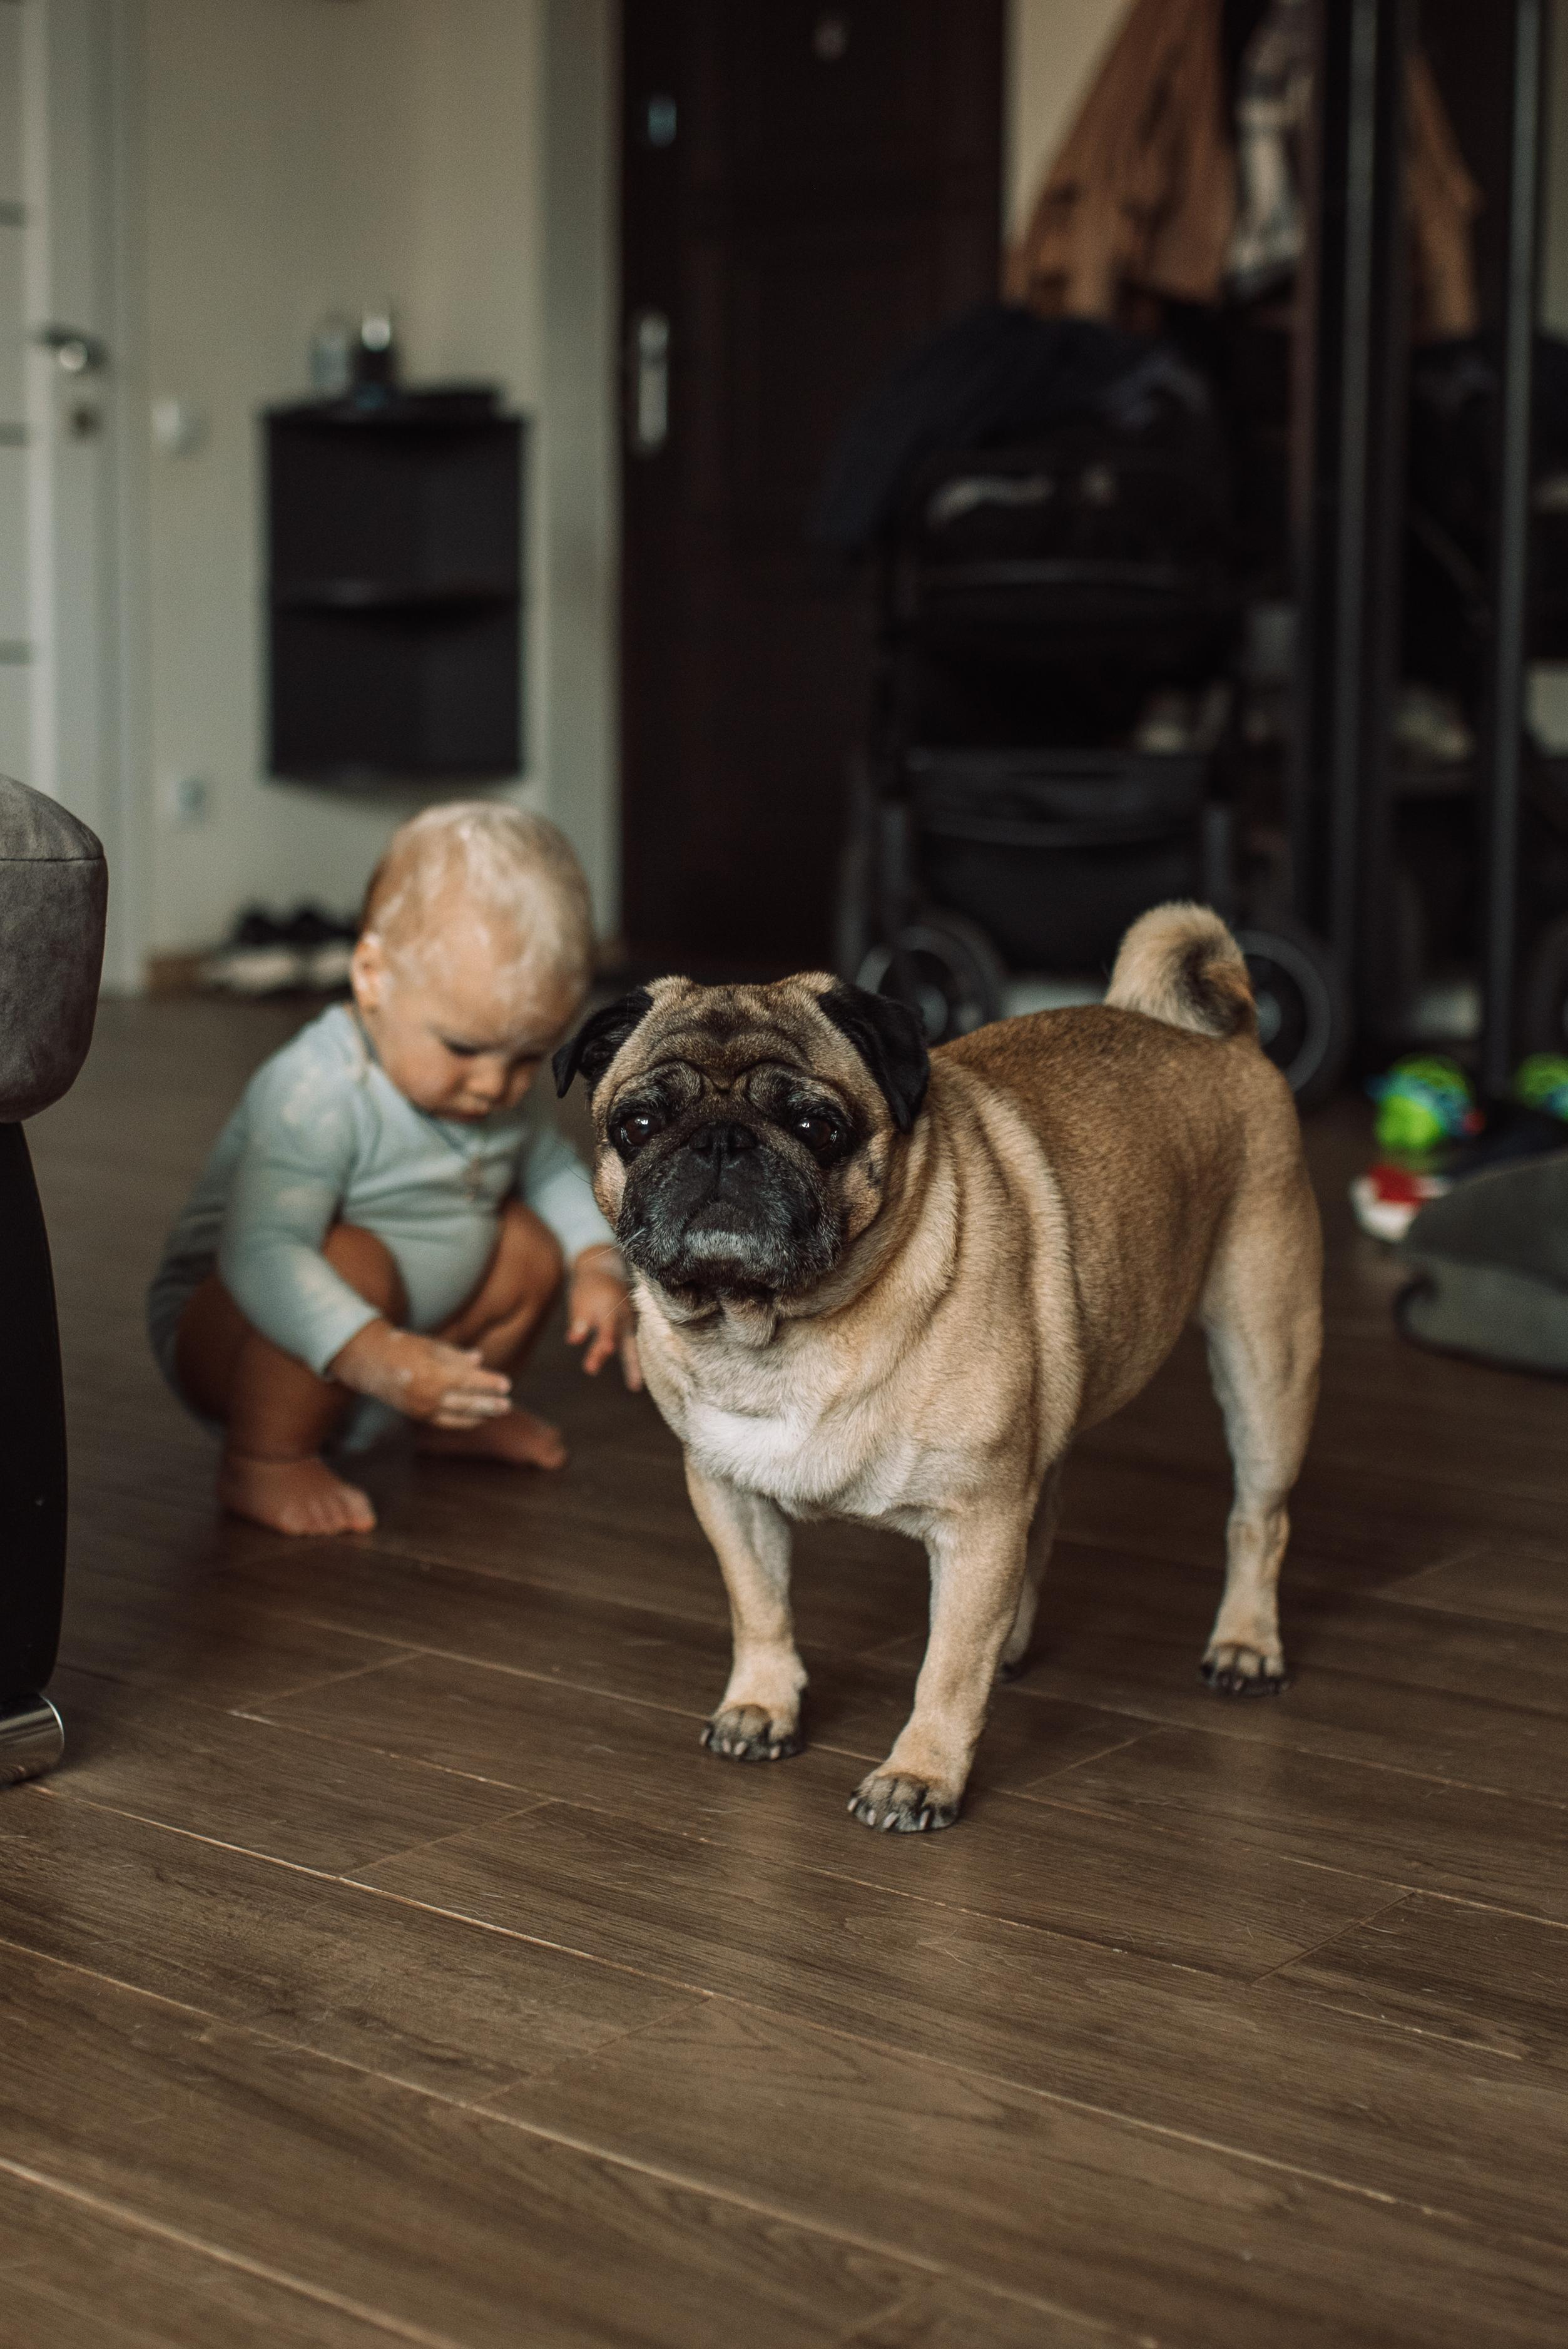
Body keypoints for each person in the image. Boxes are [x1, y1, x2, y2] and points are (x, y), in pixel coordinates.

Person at [148, 803, 638, 1537]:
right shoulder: (319, 1090)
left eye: (529, 1056)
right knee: (354, 1260)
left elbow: (551, 1171)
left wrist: (597, 1262)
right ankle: (265, 1457)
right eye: (464, 1048)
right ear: (372, 977)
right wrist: (374, 1354)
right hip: (236, 1337)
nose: (495, 1084)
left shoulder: (495, 1085)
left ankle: (453, 1418)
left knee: (531, 1246)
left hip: (395, 1337)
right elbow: (261, 1253)